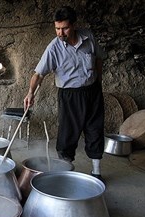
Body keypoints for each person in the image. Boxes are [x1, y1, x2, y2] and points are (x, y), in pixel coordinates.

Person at [23, 6, 106, 182]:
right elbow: (38, 73)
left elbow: (98, 59)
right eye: (57, 28)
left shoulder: (88, 37)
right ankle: (64, 174)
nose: (60, 33)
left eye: (64, 28)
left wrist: (99, 83)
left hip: (92, 91)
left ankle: (97, 172)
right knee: (68, 134)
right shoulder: (53, 48)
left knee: (95, 130)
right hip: (70, 96)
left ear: (74, 26)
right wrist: (30, 93)